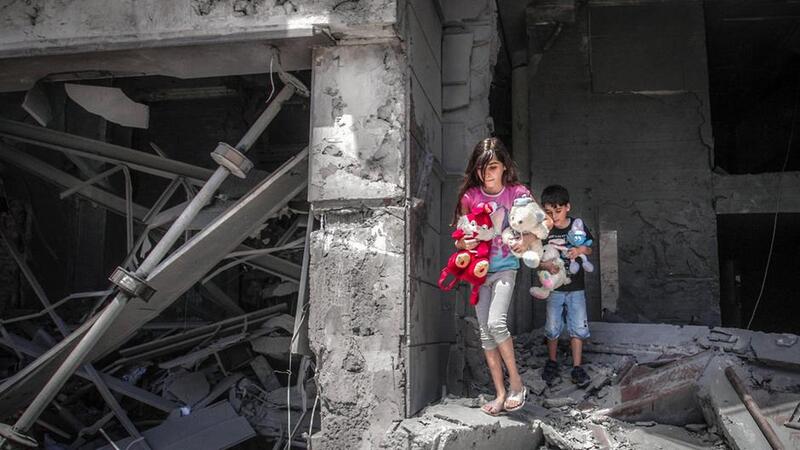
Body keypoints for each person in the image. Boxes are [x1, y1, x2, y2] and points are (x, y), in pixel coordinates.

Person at [452, 137, 546, 415]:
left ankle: (517, 385)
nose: (487, 174)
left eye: (492, 167)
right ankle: (500, 394)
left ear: (504, 166)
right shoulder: (470, 197)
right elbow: (458, 238)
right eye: (481, 168)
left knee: (496, 323)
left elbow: (545, 223)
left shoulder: (517, 193)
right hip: (478, 272)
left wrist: (527, 239)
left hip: (505, 267)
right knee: (485, 334)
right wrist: (463, 243)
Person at [537, 184, 594, 388]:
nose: (554, 217)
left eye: (558, 211)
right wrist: (545, 265)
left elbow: (589, 248)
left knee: (578, 326)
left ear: (567, 207)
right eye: (549, 212)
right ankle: (552, 362)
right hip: (554, 289)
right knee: (552, 326)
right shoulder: (544, 231)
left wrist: (579, 251)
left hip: (576, 288)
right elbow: (534, 258)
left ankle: (577, 367)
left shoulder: (577, 226)